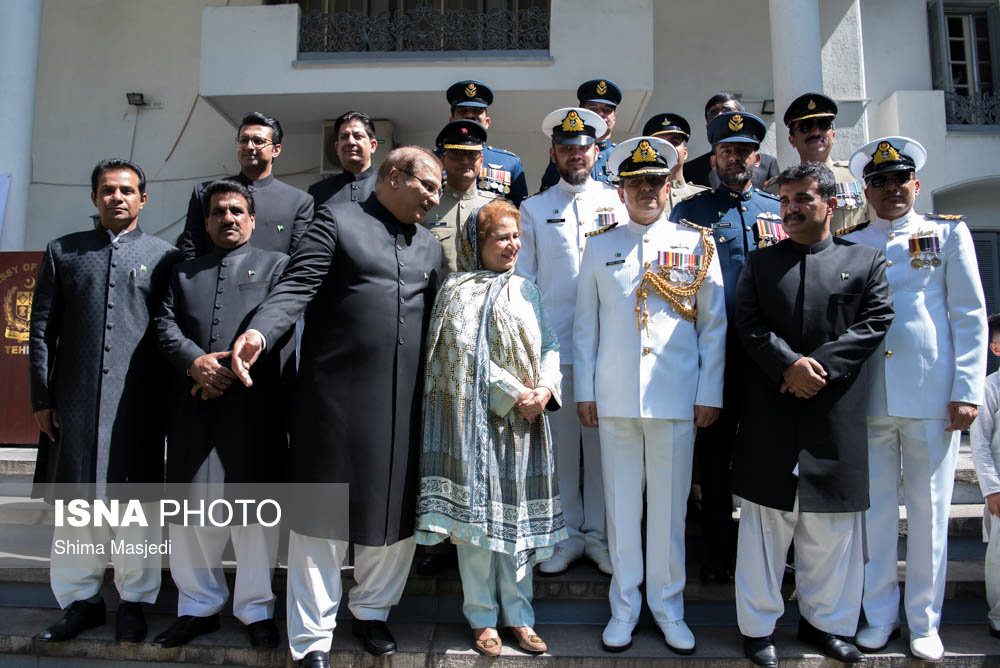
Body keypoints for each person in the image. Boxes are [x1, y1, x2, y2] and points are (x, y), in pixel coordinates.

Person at [230, 146, 443, 668]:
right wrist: (259, 331)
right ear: (394, 176)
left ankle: (372, 612)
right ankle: (311, 640)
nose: (436, 201)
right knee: (320, 523)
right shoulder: (337, 220)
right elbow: (298, 284)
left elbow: (440, 321)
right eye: (429, 187)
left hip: (404, 407)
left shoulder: (431, 247)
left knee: (394, 520)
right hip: (333, 405)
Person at [731, 162, 894, 666]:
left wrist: (815, 368)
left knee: (832, 531)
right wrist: (788, 366)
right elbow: (749, 324)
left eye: (802, 199)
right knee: (765, 527)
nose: (791, 209)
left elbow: (875, 322)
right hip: (771, 412)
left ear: (828, 202)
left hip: (834, 413)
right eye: (784, 202)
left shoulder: (866, 261)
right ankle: (758, 630)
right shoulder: (760, 264)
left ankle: (827, 625)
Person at [575, 136, 726, 654]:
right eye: (636, 182)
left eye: (655, 181)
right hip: (615, 399)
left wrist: (710, 391)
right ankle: (624, 607)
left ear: (669, 186)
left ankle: (668, 607)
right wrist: (585, 391)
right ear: (620, 189)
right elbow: (585, 328)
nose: (646, 190)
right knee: (620, 509)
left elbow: (714, 327)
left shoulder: (695, 244)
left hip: (676, 399)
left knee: (668, 512)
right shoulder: (599, 245)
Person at [846, 136, 988, 662]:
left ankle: (924, 620)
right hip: (870, 396)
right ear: (866, 190)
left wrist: (967, 389)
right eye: (879, 182)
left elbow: (969, 316)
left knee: (930, 515)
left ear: (916, 184)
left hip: (932, 394)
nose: (891, 189)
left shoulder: (947, 232)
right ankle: (879, 615)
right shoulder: (854, 240)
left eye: (899, 179)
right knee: (876, 514)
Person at [29, 159, 182, 643]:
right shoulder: (64, 252)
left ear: (143, 199)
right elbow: (40, 329)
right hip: (73, 402)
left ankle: (134, 601)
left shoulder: (164, 256)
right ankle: (80, 600)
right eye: (108, 190)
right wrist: (41, 397)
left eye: (127, 190)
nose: (118, 197)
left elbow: (169, 331)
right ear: (94, 197)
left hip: (138, 404)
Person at [415, 199, 566, 656]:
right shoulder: (457, 289)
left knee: (518, 521)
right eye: (501, 237)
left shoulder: (528, 290)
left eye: (515, 236)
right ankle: (482, 617)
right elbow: (461, 353)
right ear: (475, 243)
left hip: (526, 426)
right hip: (478, 425)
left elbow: (551, 343)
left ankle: (520, 616)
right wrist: (515, 394)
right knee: (476, 525)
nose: (512, 245)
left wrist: (545, 388)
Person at [153, 180, 289, 649]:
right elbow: (163, 324)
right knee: (191, 513)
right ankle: (197, 606)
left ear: (251, 219)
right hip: (193, 403)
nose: (227, 218)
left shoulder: (278, 267)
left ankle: (255, 609)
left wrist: (227, 370)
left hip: (253, 407)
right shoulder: (181, 271)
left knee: (253, 516)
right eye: (218, 212)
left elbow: (282, 324)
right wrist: (195, 361)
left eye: (236, 211)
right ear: (206, 220)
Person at [669, 111, 781, 584]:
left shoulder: (777, 210)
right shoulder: (689, 213)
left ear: (758, 158)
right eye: (726, 150)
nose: (736, 158)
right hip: (715, 354)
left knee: (766, 457)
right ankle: (718, 552)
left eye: (744, 151)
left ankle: (769, 555)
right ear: (713, 157)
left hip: (770, 357)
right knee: (713, 458)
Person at [516, 107, 625, 578]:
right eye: (566, 148)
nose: (575, 155)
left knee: (603, 451)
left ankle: (599, 538)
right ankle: (563, 536)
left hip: (610, 347)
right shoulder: (535, 209)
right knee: (560, 451)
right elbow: (526, 284)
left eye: (583, 147)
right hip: (556, 349)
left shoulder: (618, 203)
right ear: (553, 153)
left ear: (596, 151)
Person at [178, 111, 313, 259]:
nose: (249, 146)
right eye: (243, 140)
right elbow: (191, 249)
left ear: (276, 150)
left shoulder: (298, 201)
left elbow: (299, 259)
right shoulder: (206, 192)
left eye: (258, 141)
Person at [765, 93, 872, 234]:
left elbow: (875, 227)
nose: (816, 132)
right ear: (792, 140)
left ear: (833, 135)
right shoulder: (775, 189)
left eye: (823, 125)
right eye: (805, 127)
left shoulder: (857, 177)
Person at [421, 119, 497, 279]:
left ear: (481, 160)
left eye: (472, 154)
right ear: (442, 160)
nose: (465, 161)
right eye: (456, 154)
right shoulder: (425, 206)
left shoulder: (497, 206)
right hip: (439, 300)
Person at [444, 80, 528, 206]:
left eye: (477, 111)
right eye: (463, 111)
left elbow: (520, 212)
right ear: (451, 120)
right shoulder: (432, 160)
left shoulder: (510, 162)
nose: (470, 115)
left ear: (487, 122)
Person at [683, 92, 779, 190]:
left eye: (727, 110)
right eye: (713, 113)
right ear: (707, 126)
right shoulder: (691, 169)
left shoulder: (767, 164)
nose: (719, 115)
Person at [972, 313, 1000, 640]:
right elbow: (979, 442)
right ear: (995, 348)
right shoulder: (989, 388)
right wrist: (991, 488)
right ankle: (998, 615)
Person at [539, 78, 622, 189]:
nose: (600, 114)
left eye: (607, 110)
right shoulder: (564, 154)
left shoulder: (622, 155)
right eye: (593, 108)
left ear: (614, 117)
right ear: (581, 112)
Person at [307, 110, 378, 208]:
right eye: (344, 137)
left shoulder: (388, 187)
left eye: (358, 136)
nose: (350, 142)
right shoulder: (318, 191)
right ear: (337, 147)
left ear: (373, 146)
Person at [641, 112, 708, 213]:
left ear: (685, 153)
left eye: (674, 142)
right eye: (660, 144)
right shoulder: (639, 197)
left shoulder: (705, 197)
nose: (668, 148)